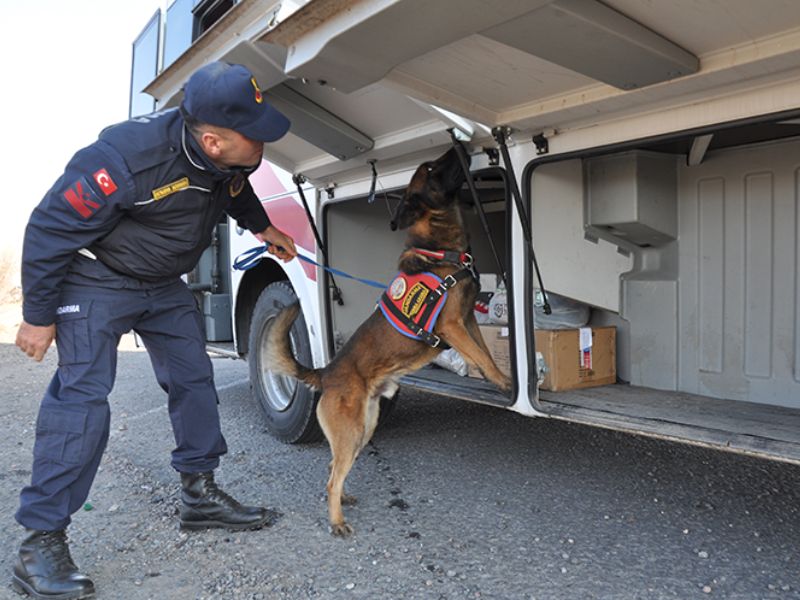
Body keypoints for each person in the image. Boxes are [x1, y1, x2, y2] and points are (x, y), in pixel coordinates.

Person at [12, 61, 298, 599]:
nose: (264, 142)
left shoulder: (226, 158)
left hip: (163, 283)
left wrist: (262, 226)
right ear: (213, 140)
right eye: (254, 135)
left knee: (194, 378)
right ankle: (39, 541)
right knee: (83, 398)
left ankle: (200, 494)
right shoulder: (122, 160)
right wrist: (38, 315)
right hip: (96, 278)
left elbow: (232, 190)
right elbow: (49, 228)